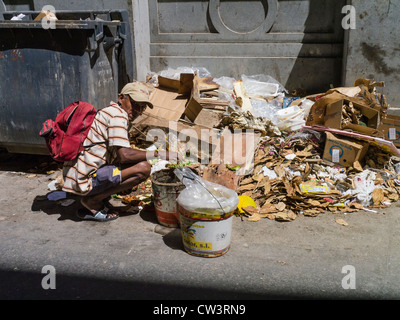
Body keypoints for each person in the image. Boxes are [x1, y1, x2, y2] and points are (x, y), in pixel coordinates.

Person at [62, 82, 181, 221]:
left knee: (134, 165)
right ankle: (92, 201)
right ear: (121, 98)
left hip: (78, 175)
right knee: (143, 168)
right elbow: (124, 155)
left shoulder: (111, 111)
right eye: (135, 104)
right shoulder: (118, 116)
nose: (138, 111)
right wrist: (159, 154)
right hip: (84, 179)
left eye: (142, 108)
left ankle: (97, 197)